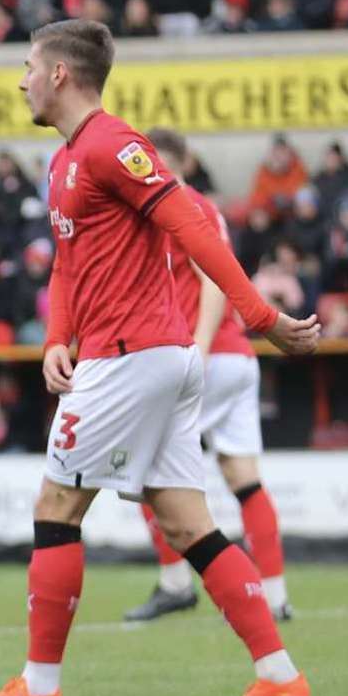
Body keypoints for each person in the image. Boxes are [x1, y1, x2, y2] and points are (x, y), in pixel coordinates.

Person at [0, 20, 318, 696]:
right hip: (146, 357)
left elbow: (194, 225)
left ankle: (37, 685)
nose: (21, 79)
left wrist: (258, 316)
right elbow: (69, 262)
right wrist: (58, 336)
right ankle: (280, 677)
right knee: (187, 524)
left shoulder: (114, 144)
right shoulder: (64, 161)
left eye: (29, 66)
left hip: (132, 358)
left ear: (61, 74)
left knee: (57, 506)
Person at [126, 133, 292, 624]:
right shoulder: (203, 205)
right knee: (245, 480)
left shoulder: (172, 203)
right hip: (238, 360)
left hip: (203, 357)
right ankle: (276, 594)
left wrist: (197, 343)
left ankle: (176, 582)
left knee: (140, 468)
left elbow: (212, 275)